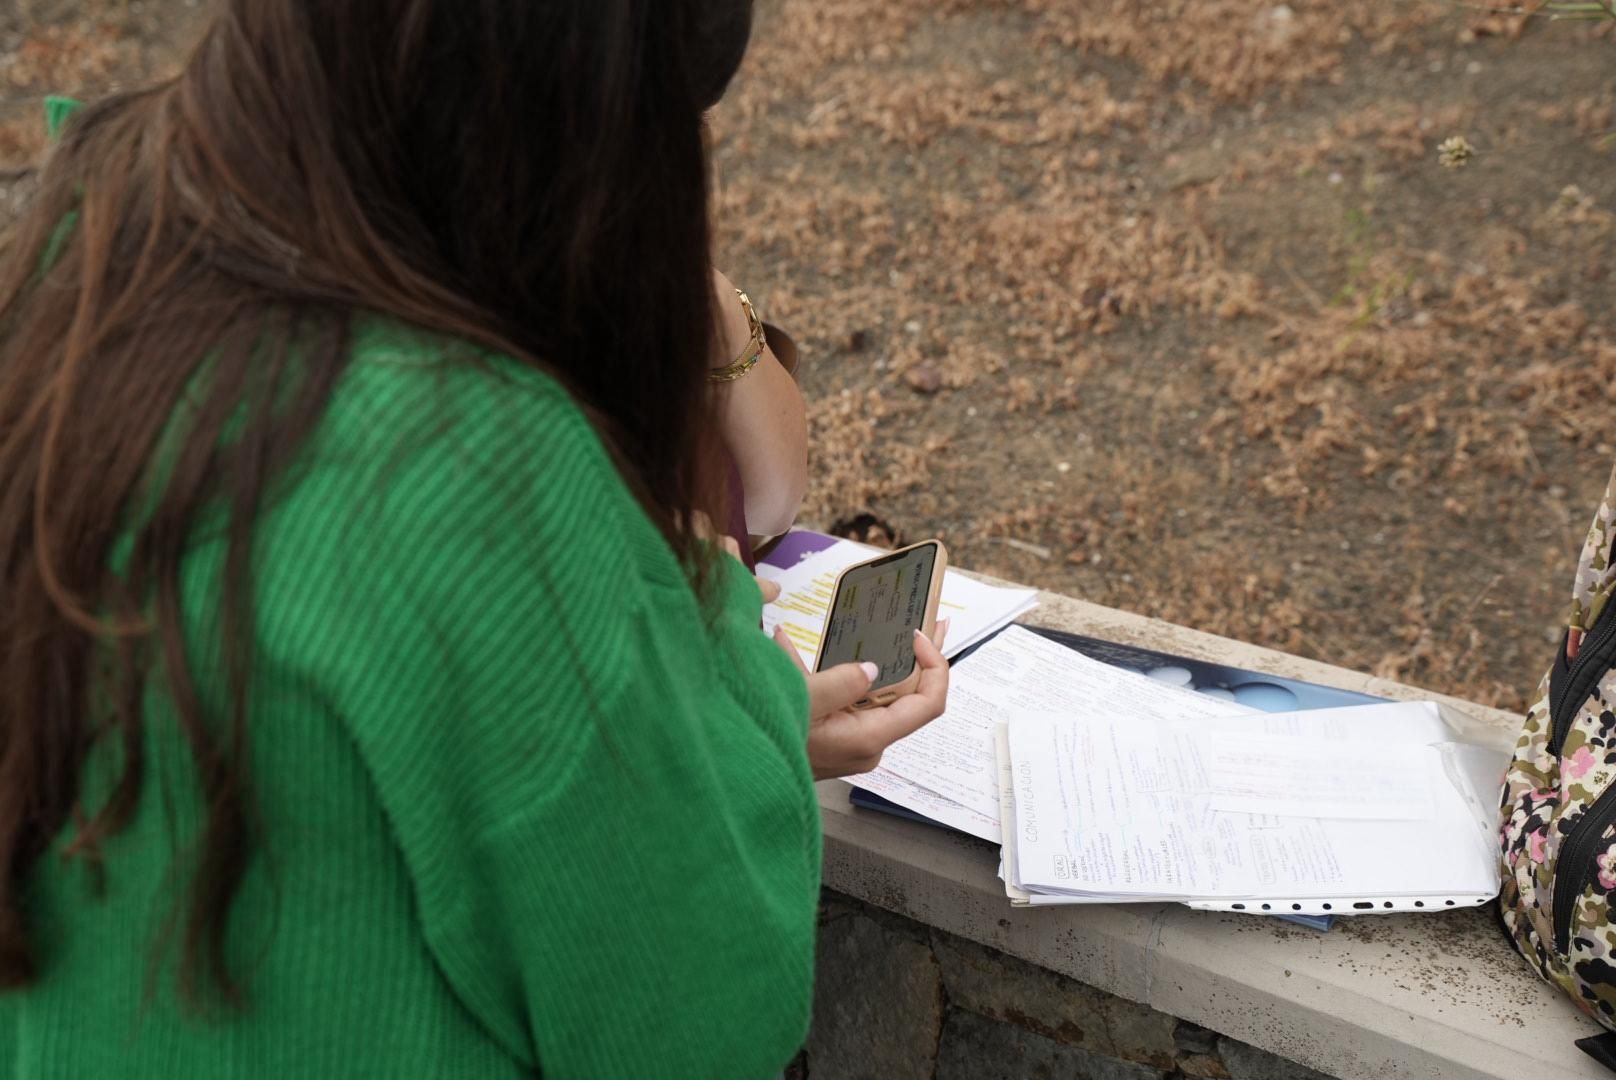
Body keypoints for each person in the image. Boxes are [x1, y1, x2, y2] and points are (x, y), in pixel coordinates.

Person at [0, 2, 949, 1076]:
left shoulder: (92, 245)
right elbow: (704, 1015)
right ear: (548, 139)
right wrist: (717, 644)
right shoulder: (475, 470)